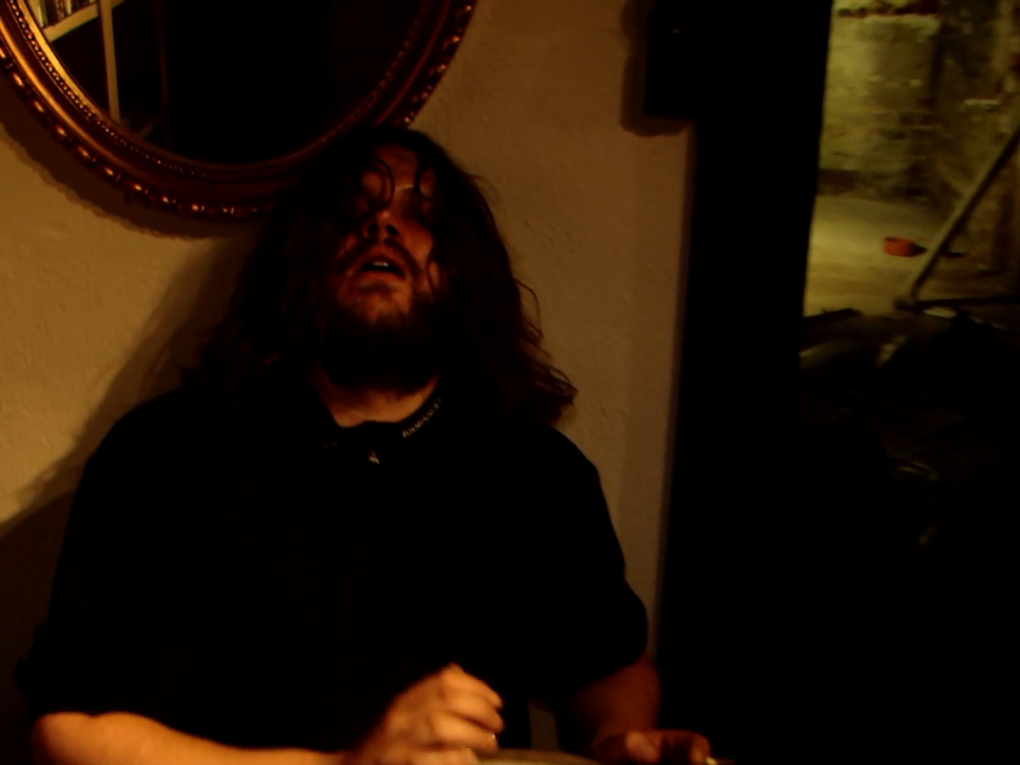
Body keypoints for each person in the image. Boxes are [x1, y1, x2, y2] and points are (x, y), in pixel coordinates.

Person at [18, 127, 711, 765]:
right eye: (350, 209)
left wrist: (619, 738)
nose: (382, 225)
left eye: (421, 213)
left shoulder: (535, 472)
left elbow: (607, 661)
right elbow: (71, 730)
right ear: (297, 257)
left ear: (465, 271)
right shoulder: (167, 456)